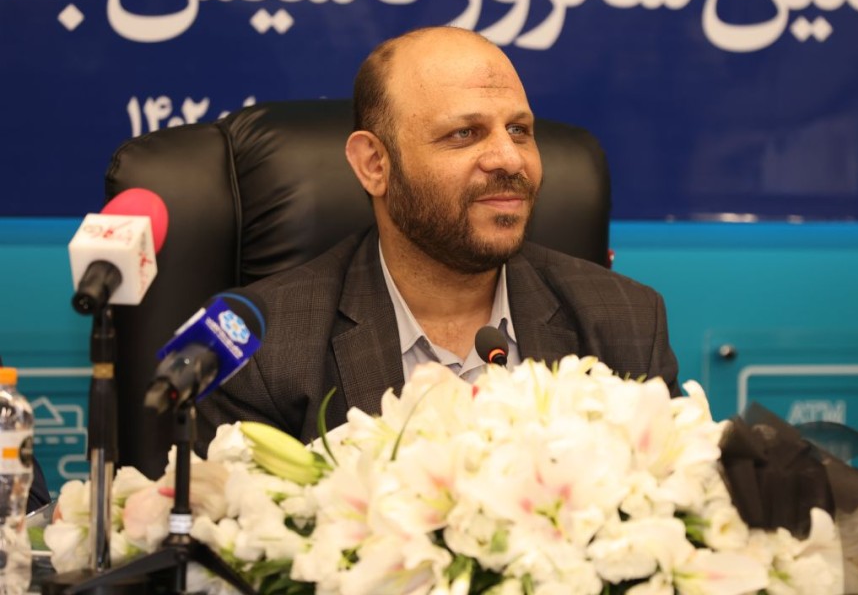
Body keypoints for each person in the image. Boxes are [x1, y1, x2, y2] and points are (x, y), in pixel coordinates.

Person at [195, 26, 680, 450]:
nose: (510, 159)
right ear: (375, 164)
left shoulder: (627, 324)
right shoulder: (257, 348)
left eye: (518, 130)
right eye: (465, 133)